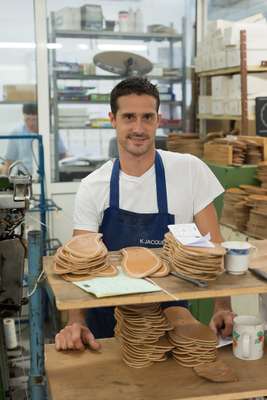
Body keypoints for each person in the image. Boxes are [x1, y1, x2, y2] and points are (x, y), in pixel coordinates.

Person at [55, 77, 235, 351]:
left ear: (158, 120)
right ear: (112, 119)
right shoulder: (94, 185)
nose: (138, 128)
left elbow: (215, 248)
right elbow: (81, 266)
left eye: (147, 117)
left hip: (174, 318)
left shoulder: (190, 171)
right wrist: (75, 322)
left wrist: (222, 307)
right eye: (129, 117)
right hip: (109, 320)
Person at [2, 103, 67, 175]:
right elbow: (8, 162)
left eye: (34, 119)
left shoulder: (51, 132)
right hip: (24, 178)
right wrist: (3, 183)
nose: (30, 123)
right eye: (27, 119)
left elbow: (62, 155)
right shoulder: (16, 133)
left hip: (48, 176)